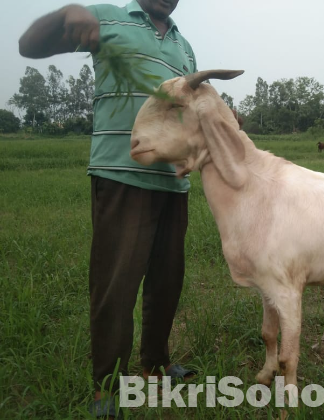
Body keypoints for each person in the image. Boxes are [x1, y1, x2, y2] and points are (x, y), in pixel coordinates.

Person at [19, 1, 197, 417]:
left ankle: (156, 365)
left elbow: (188, 106)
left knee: (167, 281)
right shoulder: (105, 17)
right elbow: (28, 46)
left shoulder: (184, 46)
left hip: (173, 180)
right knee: (115, 285)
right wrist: (67, 14)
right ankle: (107, 385)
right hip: (121, 173)